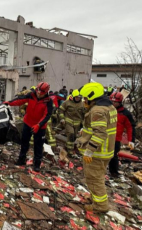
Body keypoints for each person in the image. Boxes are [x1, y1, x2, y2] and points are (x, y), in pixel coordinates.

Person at [76, 82, 117, 213]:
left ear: (92, 96)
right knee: (97, 177)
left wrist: (89, 151)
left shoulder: (97, 110)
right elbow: (101, 128)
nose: (84, 101)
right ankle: (95, 198)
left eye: (86, 98)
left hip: (97, 152)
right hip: (107, 150)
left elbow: (100, 133)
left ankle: (100, 206)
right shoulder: (109, 107)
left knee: (94, 178)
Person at [4, 82, 53, 172]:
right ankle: (21, 159)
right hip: (28, 123)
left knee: (38, 146)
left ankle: (37, 164)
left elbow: (47, 115)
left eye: (41, 92)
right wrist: (9, 103)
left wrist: (39, 125)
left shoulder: (48, 102)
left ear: (45, 92)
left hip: (40, 127)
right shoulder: (31, 95)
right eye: (38, 91)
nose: (38, 93)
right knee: (24, 142)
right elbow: (20, 100)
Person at [108, 92, 135, 177]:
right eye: (112, 102)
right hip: (104, 136)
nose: (113, 104)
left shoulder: (125, 113)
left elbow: (130, 127)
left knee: (114, 156)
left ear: (119, 102)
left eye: (115, 102)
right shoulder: (107, 109)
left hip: (116, 139)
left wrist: (131, 140)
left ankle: (113, 172)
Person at [57, 89, 85, 155]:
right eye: (76, 97)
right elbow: (60, 110)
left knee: (74, 136)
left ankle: (68, 146)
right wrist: (62, 119)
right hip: (68, 121)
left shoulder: (82, 104)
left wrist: (83, 124)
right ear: (73, 97)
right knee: (71, 133)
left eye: (79, 97)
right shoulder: (67, 102)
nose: (78, 99)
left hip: (77, 124)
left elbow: (84, 114)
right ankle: (70, 150)